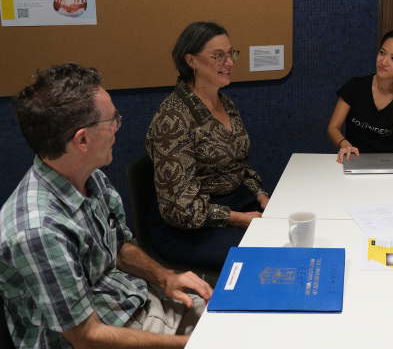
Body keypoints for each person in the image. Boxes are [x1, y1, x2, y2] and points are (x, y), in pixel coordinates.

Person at [0, 63, 211, 348]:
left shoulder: (90, 176)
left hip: (137, 303)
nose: (116, 128)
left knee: (244, 317)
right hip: (106, 336)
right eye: (112, 120)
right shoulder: (39, 230)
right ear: (82, 139)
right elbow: (86, 337)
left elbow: (118, 244)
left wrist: (164, 277)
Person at [145, 21, 269, 270]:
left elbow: (240, 166)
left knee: (289, 233)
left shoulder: (227, 103)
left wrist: (262, 197)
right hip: (190, 227)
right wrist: (239, 219)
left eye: (231, 54)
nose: (230, 63)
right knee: (263, 257)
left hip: (238, 203)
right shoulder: (173, 119)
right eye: (218, 56)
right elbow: (178, 209)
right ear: (191, 61)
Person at [328, 28, 393, 162]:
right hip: (356, 161)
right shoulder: (355, 86)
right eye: (382, 53)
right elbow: (333, 127)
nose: (384, 62)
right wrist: (344, 144)